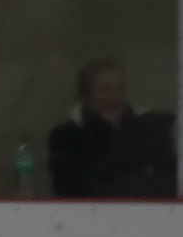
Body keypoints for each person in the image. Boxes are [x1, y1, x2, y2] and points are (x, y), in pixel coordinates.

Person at [47, 58, 176, 198]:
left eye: (121, 89)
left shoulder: (149, 128)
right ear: (86, 96)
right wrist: (105, 131)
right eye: (105, 90)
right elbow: (73, 187)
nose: (115, 96)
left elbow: (168, 176)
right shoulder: (66, 136)